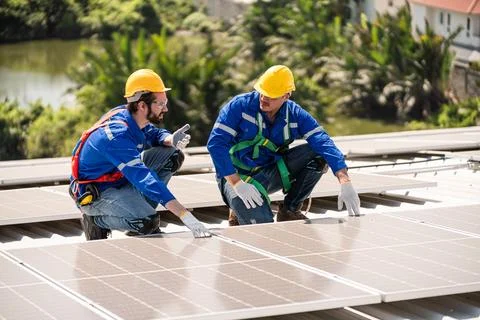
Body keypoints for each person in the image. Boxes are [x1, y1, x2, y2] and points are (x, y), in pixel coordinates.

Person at [207, 65, 361, 226]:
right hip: (236, 177)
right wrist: (236, 183)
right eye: (262, 92)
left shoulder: (294, 114)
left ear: (286, 96)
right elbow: (216, 144)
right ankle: (237, 211)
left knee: (318, 153)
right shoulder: (239, 106)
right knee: (261, 226)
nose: (264, 98)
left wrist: (345, 180)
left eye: (271, 96)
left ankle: (290, 210)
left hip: (269, 173)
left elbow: (323, 141)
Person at [69, 69, 211, 240]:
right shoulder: (115, 136)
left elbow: (153, 134)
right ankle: (96, 221)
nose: (165, 108)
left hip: (120, 180)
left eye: (165, 103)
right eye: (160, 104)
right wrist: (183, 214)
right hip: (98, 194)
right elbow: (143, 177)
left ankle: (139, 213)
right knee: (148, 222)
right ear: (142, 105)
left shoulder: (133, 116)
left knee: (172, 154)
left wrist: (170, 139)